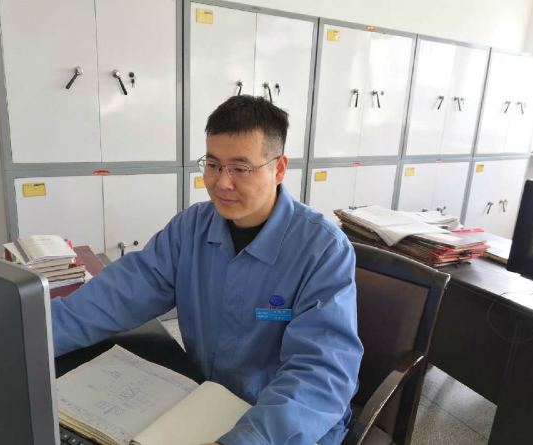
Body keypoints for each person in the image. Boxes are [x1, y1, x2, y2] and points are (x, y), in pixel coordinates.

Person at [51, 95, 364, 445]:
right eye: (213, 164)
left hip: (287, 426)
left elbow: (319, 375)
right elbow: (117, 295)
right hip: (204, 402)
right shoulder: (191, 229)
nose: (221, 182)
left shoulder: (322, 249)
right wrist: (30, 338)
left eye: (240, 169)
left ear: (278, 169)